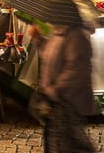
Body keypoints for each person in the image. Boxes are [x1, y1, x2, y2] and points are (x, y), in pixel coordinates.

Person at [31, 22, 96, 153]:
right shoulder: (59, 32)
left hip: (69, 102)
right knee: (56, 143)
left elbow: (75, 71)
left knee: (70, 145)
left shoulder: (77, 36)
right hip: (56, 102)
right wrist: (39, 39)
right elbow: (51, 57)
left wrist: (54, 90)